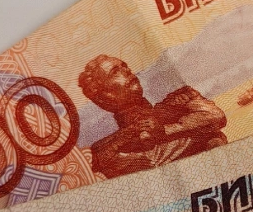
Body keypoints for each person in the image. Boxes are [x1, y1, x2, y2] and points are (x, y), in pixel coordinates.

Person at [77, 55, 227, 179]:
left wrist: (164, 131)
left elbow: (216, 116)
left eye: (125, 66)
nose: (127, 71)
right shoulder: (105, 151)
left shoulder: (181, 101)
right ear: (103, 97)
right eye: (115, 72)